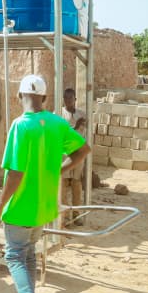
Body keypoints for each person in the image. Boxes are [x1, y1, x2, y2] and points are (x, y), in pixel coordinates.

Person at [0, 75, 89, 293]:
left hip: (21, 207)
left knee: (15, 257)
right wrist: (59, 169)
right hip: (44, 206)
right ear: (44, 98)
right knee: (29, 255)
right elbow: (83, 149)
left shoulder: (21, 126)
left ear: (19, 96)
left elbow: (16, 172)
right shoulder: (57, 123)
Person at [60, 88, 87, 226]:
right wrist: (75, 127)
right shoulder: (58, 115)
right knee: (63, 184)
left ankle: (76, 214)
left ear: (75, 99)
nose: (68, 100)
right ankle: (65, 216)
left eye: (71, 98)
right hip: (64, 155)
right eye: (66, 98)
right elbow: (61, 134)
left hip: (78, 154)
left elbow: (85, 135)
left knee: (77, 183)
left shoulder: (82, 114)